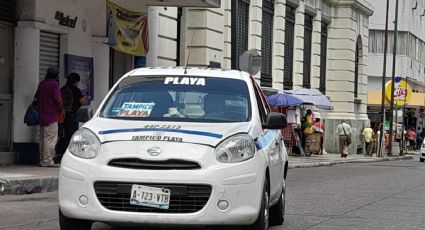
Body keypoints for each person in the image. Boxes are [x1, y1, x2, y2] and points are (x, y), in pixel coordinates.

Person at [56, 73, 88, 161]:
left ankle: (58, 153)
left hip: (62, 116)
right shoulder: (75, 89)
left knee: (62, 135)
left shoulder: (62, 88)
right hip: (72, 116)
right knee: (71, 136)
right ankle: (67, 155)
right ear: (76, 81)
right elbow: (82, 102)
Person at [35, 66, 63, 167]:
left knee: (43, 139)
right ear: (56, 75)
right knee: (50, 139)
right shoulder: (54, 85)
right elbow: (58, 100)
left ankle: (42, 159)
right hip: (51, 116)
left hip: (42, 115)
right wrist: (61, 110)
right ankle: (48, 160)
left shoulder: (42, 84)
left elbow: (36, 98)